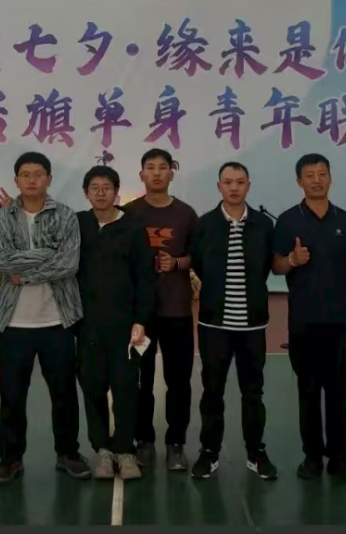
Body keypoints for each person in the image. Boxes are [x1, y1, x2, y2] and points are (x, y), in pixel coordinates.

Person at [0, 152, 90, 484]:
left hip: (57, 321)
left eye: (38, 174)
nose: (32, 180)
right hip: (13, 323)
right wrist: (47, 254)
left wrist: (27, 273)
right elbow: (3, 261)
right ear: (16, 180)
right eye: (25, 174)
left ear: (49, 178)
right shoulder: (2, 217)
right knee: (11, 397)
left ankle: (68, 453)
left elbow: (69, 264)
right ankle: (11, 459)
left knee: (64, 394)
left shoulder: (66, 215)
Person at [272, 154, 346, 484]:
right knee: (308, 393)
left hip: (341, 323)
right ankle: (311, 457)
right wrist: (292, 260)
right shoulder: (288, 221)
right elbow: (276, 266)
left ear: (330, 178)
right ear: (299, 181)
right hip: (304, 323)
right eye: (309, 175)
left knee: (340, 395)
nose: (316, 180)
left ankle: (339, 458)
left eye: (322, 174)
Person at [190, 162, 278, 481]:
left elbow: (269, 267)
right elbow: (198, 264)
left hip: (252, 326)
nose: (234, 187)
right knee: (212, 392)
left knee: (253, 392)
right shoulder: (205, 225)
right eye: (228, 182)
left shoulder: (264, 225)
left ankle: (256, 452)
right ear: (219, 187)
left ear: (248, 186)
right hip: (214, 326)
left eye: (240, 182)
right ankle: (209, 451)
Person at [76, 166, 156, 481]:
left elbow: (146, 278)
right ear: (86, 193)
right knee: (93, 387)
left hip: (125, 326)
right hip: (87, 325)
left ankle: (125, 449)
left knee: (125, 389)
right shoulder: (78, 224)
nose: (100, 192)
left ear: (116, 192)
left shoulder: (133, 228)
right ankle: (103, 450)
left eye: (106, 187)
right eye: (94, 187)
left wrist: (141, 320)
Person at [123, 148, 200, 471]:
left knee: (179, 381)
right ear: (141, 174)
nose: (156, 173)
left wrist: (177, 263)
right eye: (150, 167)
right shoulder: (128, 213)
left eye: (162, 167)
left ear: (171, 173)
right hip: (140, 317)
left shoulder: (186, 214)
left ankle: (176, 443)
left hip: (176, 312)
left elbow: (198, 255)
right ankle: (143, 440)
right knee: (140, 379)